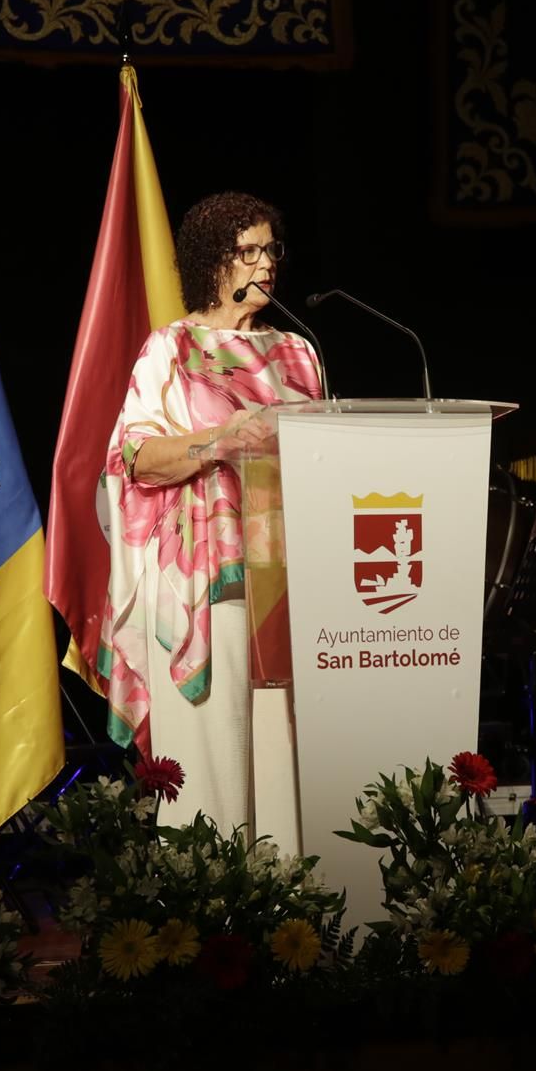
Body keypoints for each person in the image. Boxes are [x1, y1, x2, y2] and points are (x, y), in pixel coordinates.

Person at [99, 192, 323, 842]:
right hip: (208, 573)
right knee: (218, 749)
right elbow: (136, 457)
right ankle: (212, 907)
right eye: (246, 251)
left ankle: (293, 915)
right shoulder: (171, 348)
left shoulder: (299, 354)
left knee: (286, 756)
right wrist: (223, 438)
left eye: (269, 249)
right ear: (211, 263)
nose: (264, 264)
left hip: (289, 574)